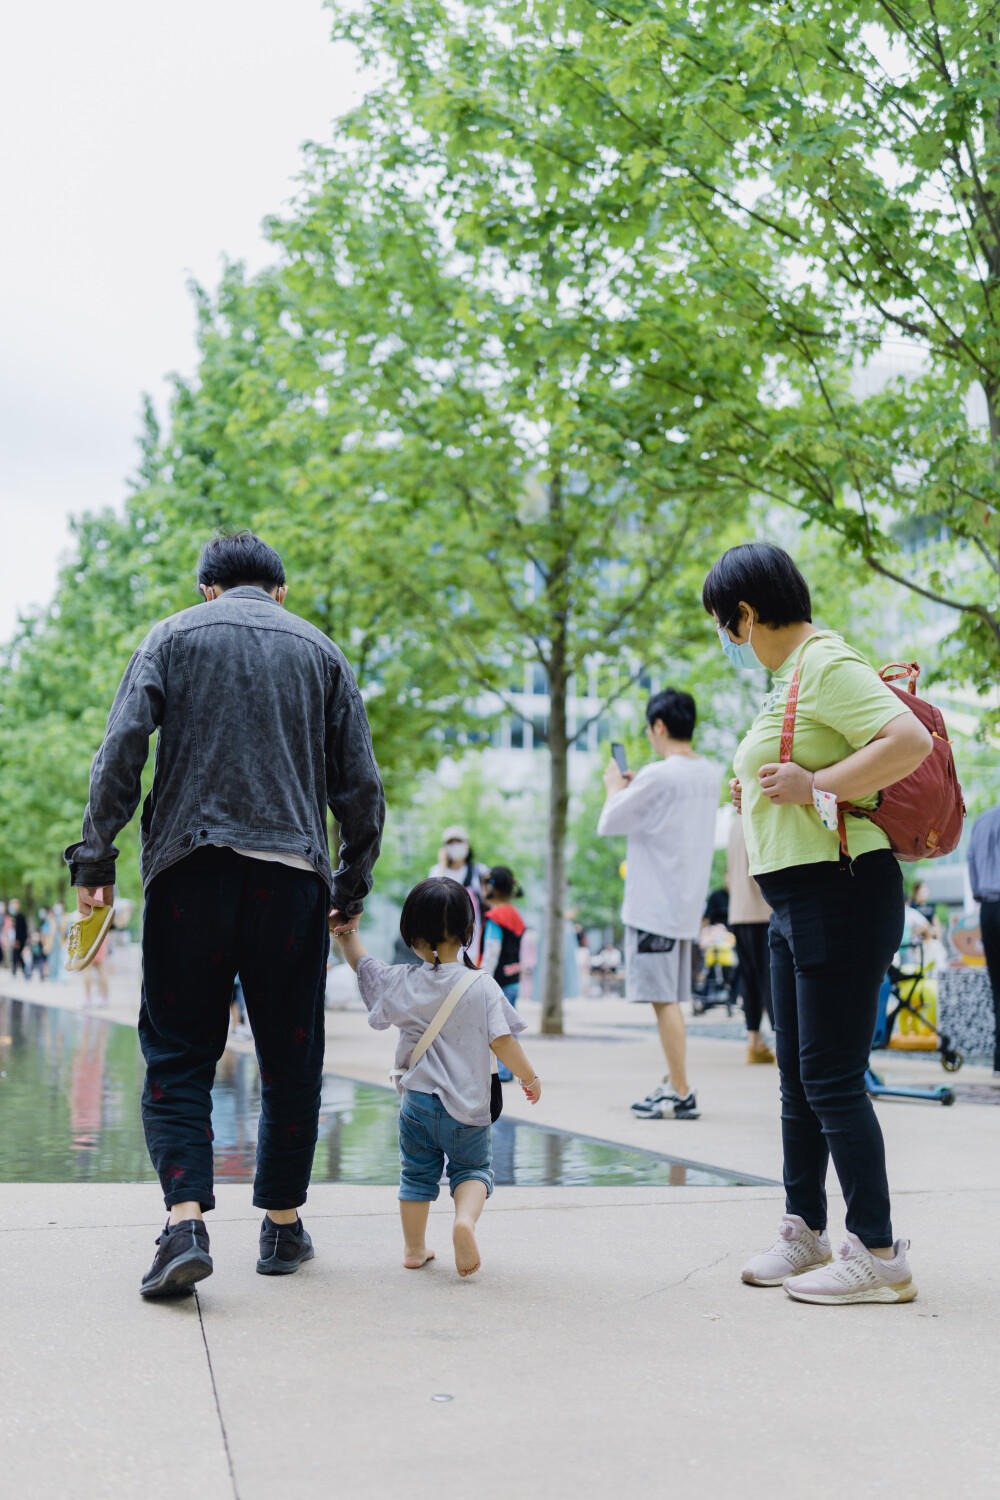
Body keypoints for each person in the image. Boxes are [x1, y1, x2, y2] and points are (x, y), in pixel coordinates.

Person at [64, 530, 385, 1298]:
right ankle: (279, 1227)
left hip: (187, 875)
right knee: (289, 1056)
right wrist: (351, 879)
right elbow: (361, 785)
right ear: (281, 590)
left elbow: (121, 749)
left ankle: (183, 1223)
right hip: (290, 879)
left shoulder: (172, 634)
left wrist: (95, 858)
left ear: (208, 587)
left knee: (178, 1053)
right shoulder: (321, 651)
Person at [704, 541, 932, 1305]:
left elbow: (910, 741)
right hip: (796, 897)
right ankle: (804, 1230)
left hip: (840, 888)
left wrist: (814, 786)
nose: (726, 640)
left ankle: (877, 1253)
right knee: (800, 1080)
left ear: (744, 613)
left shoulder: (826, 663)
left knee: (831, 1078)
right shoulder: (788, 681)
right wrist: (768, 794)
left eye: (723, 625)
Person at [333, 878, 540, 1277]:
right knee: (473, 1170)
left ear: (411, 934)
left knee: (415, 1174)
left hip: (418, 1103)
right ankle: (464, 1222)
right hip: (468, 1106)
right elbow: (503, 1042)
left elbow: (364, 964)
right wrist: (530, 1078)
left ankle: (414, 1249)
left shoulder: (402, 982)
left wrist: (346, 933)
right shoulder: (482, 986)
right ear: (468, 931)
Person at [597, 688, 722, 1121]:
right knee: (672, 999)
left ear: (659, 726)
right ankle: (675, 1082)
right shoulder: (708, 774)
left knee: (663, 1000)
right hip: (685, 904)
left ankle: (683, 1091)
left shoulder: (659, 774)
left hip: (655, 907)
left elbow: (609, 820)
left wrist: (615, 787)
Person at [726, 816, 775, 1064]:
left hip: (739, 911)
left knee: (750, 979)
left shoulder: (735, 822)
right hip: (763, 910)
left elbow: (728, 875)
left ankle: (754, 1041)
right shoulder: (760, 813)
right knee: (773, 980)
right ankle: (783, 1045)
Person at [482, 866, 526, 1081]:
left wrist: (483, 978)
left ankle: (504, 1070)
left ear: (491, 887)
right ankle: (511, 1068)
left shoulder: (495, 917)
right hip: (514, 978)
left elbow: (492, 951)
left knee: (498, 1028)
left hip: (498, 980)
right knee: (510, 1025)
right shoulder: (515, 915)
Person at [967, 804, 1000, 1086]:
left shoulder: (982, 820)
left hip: (987, 909)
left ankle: (999, 1062)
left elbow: (971, 859)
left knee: (997, 986)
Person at [428, 825, 488, 958]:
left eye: (459, 842)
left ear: (467, 845)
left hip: (472, 939)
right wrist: (442, 865)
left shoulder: (479, 871)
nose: (455, 846)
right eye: (450, 842)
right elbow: (434, 898)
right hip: (443, 934)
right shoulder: (436, 871)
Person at [9, 899, 27, 976]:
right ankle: (16, 970)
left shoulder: (20, 916)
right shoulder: (16, 917)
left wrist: (17, 940)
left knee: (18, 955)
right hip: (18, 939)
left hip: (19, 940)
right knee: (16, 955)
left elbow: (20, 930)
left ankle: (24, 970)